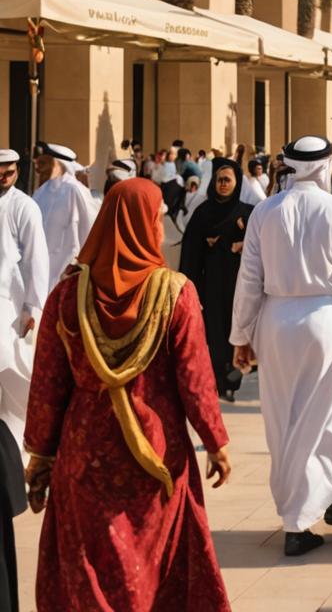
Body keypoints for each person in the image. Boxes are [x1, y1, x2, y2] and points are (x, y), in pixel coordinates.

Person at [27, 177, 237, 608]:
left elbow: (48, 386)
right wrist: (215, 442)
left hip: (85, 452)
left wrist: (41, 459)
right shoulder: (175, 294)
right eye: (157, 219)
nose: (160, 228)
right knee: (152, 566)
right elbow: (195, 382)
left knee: (93, 567)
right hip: (156, 451)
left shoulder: (68, 295)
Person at [228, 135, 332, 557]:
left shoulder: (264, 212)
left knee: (284, 419)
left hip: (276, 323)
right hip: (328, 323)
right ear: (326, 166)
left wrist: (242, 335)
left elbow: (248, 279)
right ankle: (299, 520)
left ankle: (328, 498)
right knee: (329, 416)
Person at [178, 158, 252, 403]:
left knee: (235, 328)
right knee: (216, 331)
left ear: (236, 183)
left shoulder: (246, 213)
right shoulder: (203, 212)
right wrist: (188, 286)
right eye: (219, 180)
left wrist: (245, 240)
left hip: (238, 284)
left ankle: (231, 380)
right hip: (210, 283)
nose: (223, 185)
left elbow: (262, 245)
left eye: (227, 180)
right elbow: (190, 251)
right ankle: (218, 379)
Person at [0, 152, 44, 438]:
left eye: (9, 172)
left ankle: (23, 449)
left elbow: (35, 260)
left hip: (10, 306)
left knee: (14, 374)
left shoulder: (24, 206)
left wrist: (31, 308)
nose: (4, 178)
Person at [30, 144, 95, 278]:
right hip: (40, 268)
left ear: (59, 165)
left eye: (44, 164)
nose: (38, 169)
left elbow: (89, 226)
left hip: (66, 269)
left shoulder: (75, 190)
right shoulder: (40, 192)